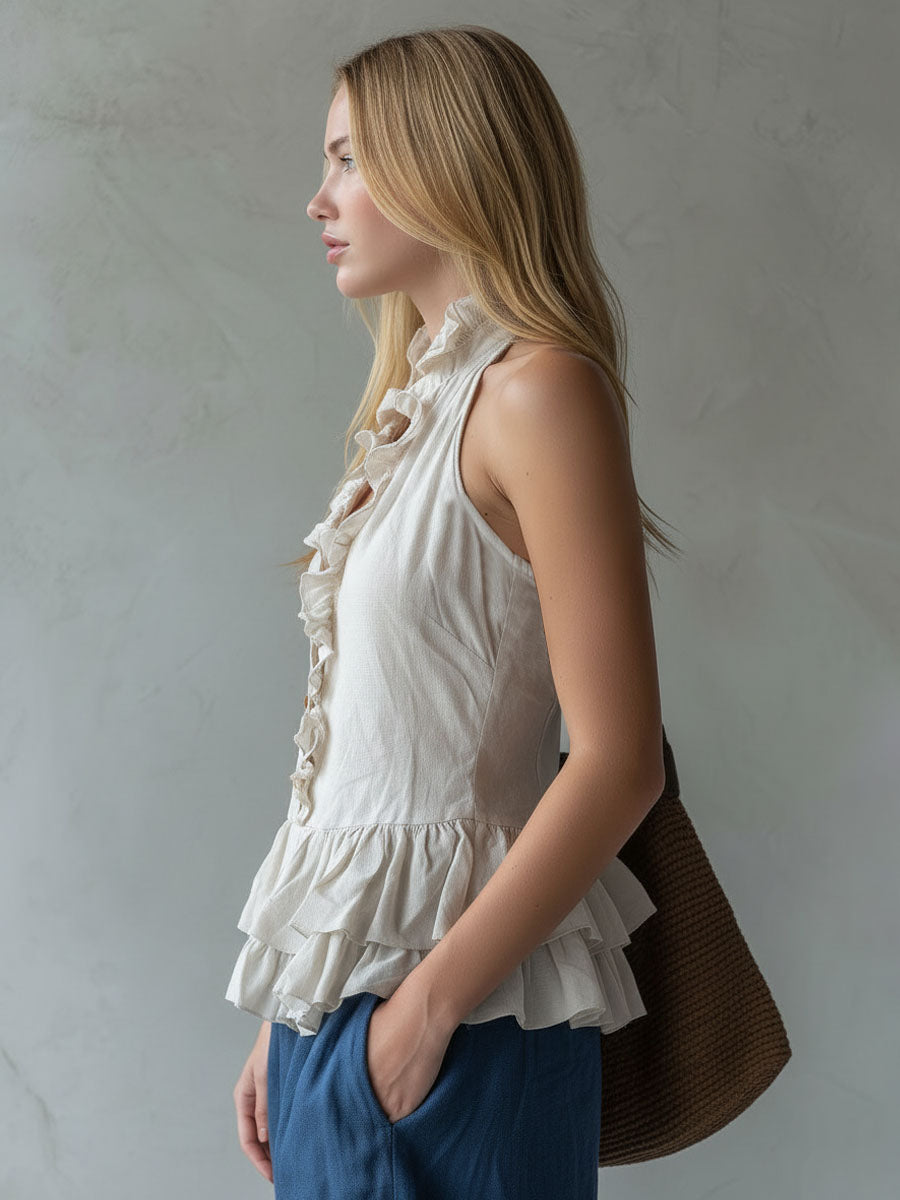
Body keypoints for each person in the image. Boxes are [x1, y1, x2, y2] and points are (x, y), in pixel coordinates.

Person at [228, 24, 681, 1200]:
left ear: (446, 164)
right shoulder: (420, 407)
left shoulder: (539, 392)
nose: (318, 199)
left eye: (348, 159)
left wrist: (421, 1017)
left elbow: (619, 760)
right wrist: (293, 1016)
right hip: (344, 1020)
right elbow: (376, 759)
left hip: (461, 1019)